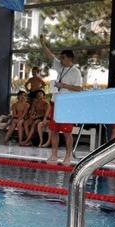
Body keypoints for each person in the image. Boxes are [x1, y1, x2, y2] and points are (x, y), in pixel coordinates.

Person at [40, 34, 83, 166]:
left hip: (67, 105)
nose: (61, 59)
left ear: (70, 58)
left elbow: (79, 88)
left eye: (63, 57)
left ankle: (68, 156)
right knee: (53, 130)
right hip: (55, 103)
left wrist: (63, 85)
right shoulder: (60, 66)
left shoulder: (76, 72)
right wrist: (43, 44)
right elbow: (50, 55)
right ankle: (53, 154)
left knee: (67, 132)